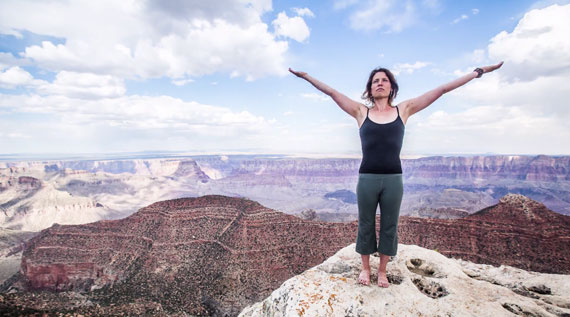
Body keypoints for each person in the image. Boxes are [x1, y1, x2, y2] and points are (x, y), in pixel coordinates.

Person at [289, 61, 503, 287]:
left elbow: (442, 90)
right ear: (370, 89)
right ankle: (365, 268)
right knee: (366, 224)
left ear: (391, 87)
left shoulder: (405, 109)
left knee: (390, 225)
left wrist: (478, 72)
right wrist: (306, 76)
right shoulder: (361, 112)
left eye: (384, 80)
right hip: (367, 179)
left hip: (393, 179)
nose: (379, 83)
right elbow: (332, 92)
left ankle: (382, 270)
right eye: (375, 81)